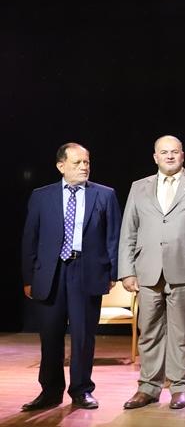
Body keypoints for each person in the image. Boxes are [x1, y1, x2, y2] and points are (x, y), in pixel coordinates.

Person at [20, 143, 121, 411]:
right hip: (51, 274)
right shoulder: (41, 196)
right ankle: (50, 391)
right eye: (77, 163)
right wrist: (28, 277)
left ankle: (81, 390)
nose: (84, 167)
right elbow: (30, 239)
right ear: (61, 166)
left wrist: (113, 273)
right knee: (50, 336)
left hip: (87, 271)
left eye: (86, 162)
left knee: (83, 335)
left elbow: (113, 237)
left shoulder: (105, 195)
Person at [118, 135, 185, 410]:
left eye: (174, 152)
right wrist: (127, 271)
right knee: (148, 332)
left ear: (182, 155)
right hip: (147, 270)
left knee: (183, 333)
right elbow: (128, 231)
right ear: (155, 157)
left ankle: (180, 387)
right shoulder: (139, 187)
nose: (169, 156)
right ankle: (148, 387)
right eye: (164, 152)